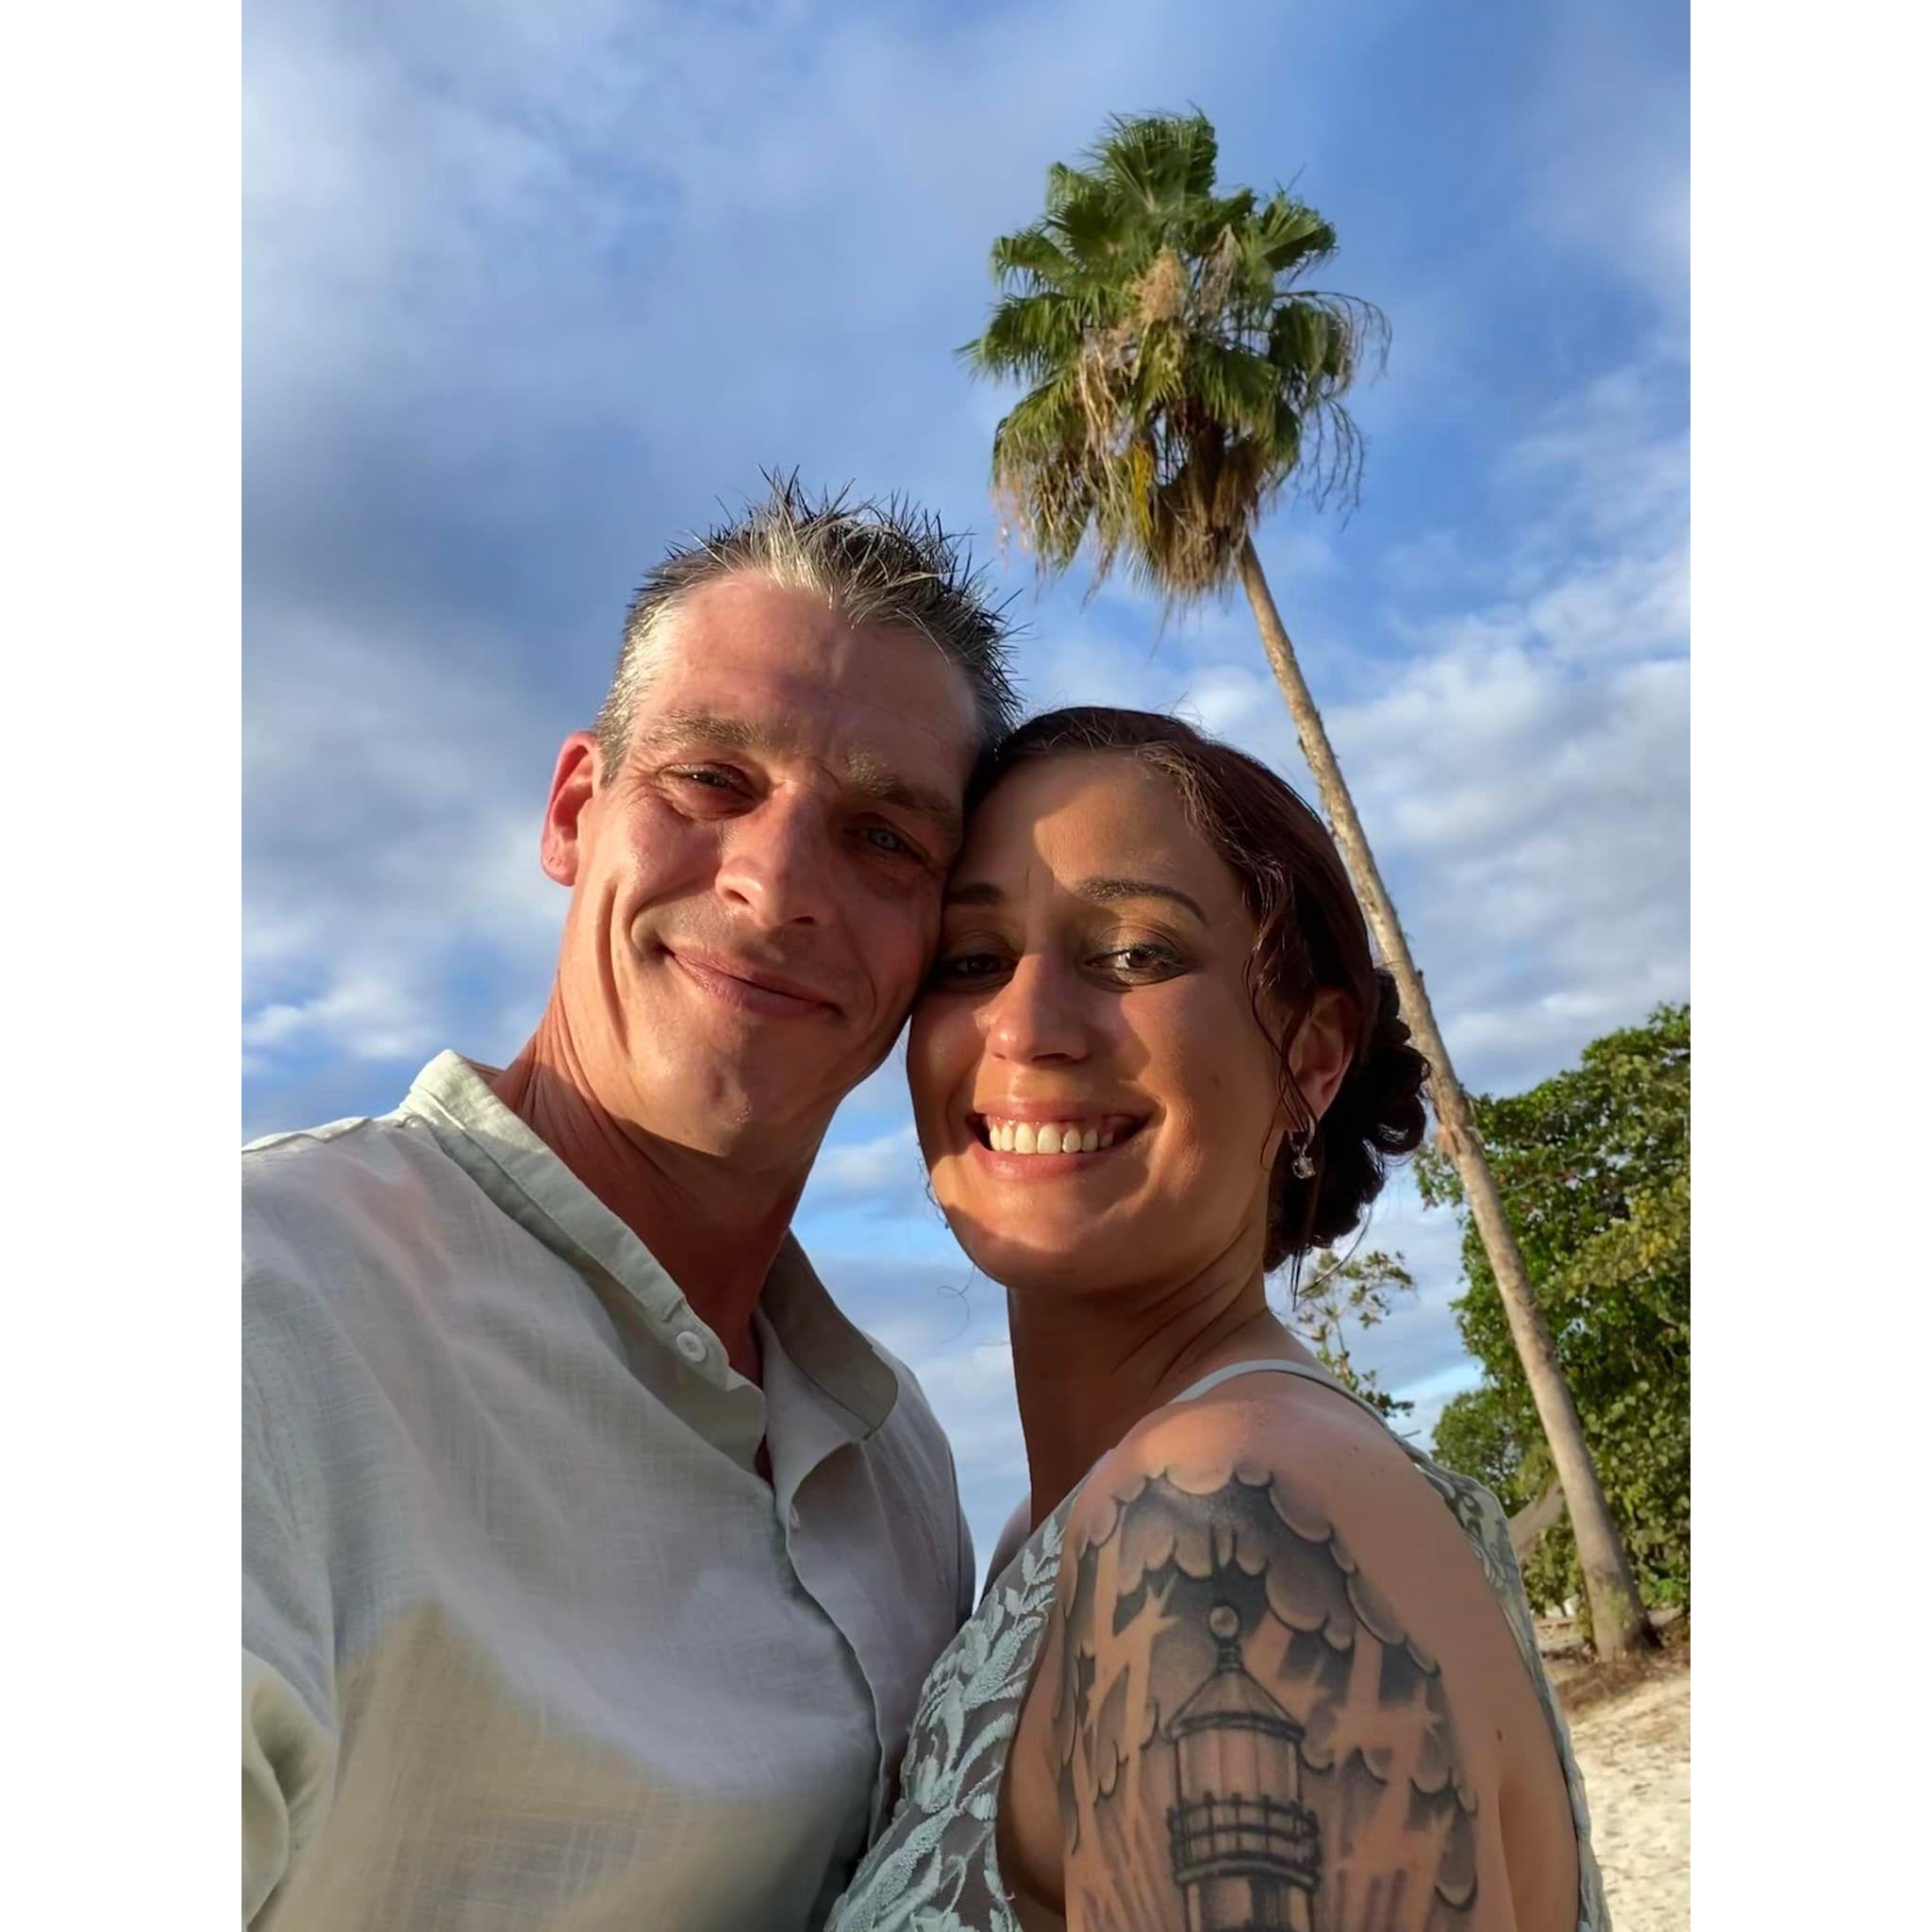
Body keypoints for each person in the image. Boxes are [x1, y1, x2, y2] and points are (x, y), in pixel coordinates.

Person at [242, 482, 1022, 1929]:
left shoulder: (899, 1467)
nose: (776, 884)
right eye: (712, 778)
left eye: (883, 840)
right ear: (572, 812)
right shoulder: (264, 1316)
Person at [829, 708, 1610, 1932]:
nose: (1025, 1027)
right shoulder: (1060, 1527)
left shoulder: (1220, 1525)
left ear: (1311, 1056)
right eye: (971, 960)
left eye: (1134, 953)